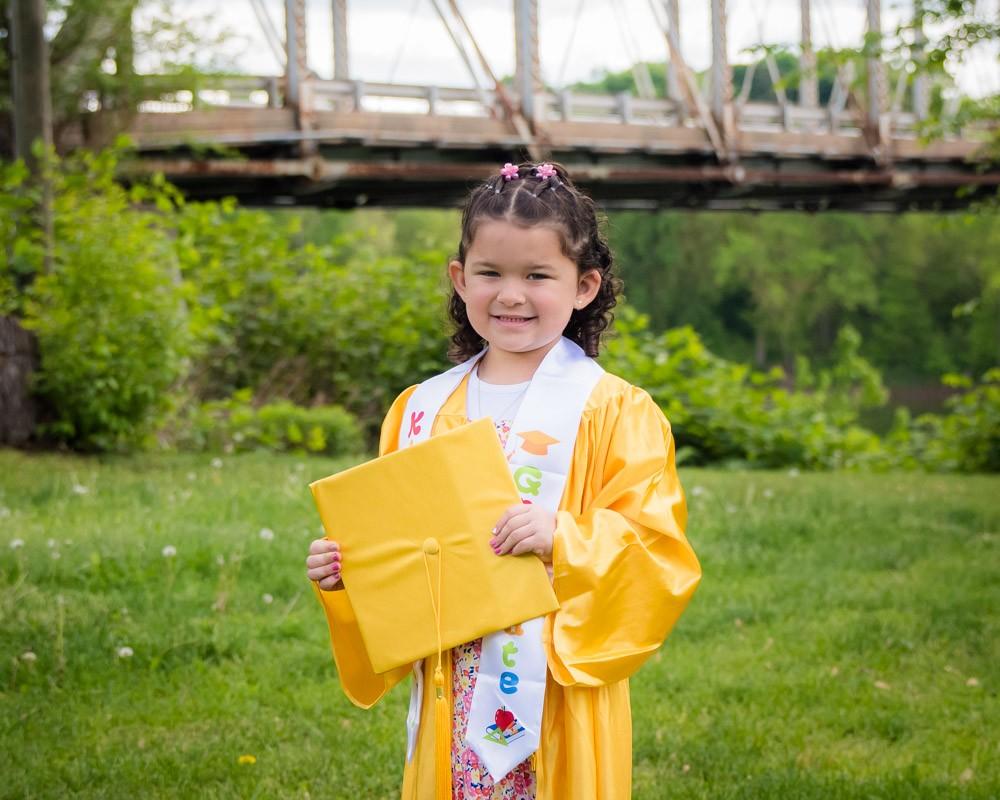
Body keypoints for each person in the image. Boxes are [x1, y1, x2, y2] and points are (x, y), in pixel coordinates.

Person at [306, 161, 701, 800]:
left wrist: (565, 537)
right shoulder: (420, 411)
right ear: (461, 279)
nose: (510, 295)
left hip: (556, 686)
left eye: (537, 275)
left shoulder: (615, 412)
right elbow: (402, 546)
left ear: (584, 286)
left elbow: (656, 550)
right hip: (452, 682)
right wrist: (352, 574)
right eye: (490, 273)